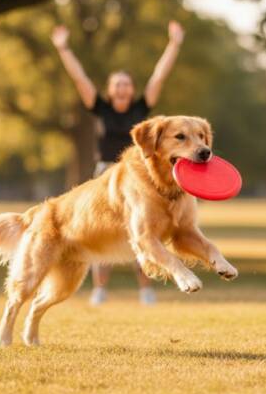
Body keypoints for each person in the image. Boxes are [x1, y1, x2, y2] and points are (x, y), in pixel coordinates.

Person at [51, 20, 185, 306]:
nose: (122, 88)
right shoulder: (101, 108)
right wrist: (63, 49)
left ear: (132, 89)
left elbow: (159, 78)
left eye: (126, 84)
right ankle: (99, 289)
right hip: (106, 176)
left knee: (144, 230)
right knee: (105, 232)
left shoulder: (140, 108)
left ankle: (146, 289)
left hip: (137, 177)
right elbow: (80, 79)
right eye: (117, 85)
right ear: (111, 90)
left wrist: (174, 44)